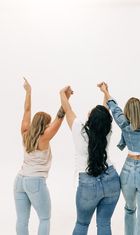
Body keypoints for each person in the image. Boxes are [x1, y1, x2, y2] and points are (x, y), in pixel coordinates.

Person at [98, 82, 140, 235]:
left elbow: (114, 109)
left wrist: (105, 92)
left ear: (127, 112)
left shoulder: (124, 124)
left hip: (127, 170)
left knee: (129, 209)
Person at [59, 85, 121, 235]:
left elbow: (68, 111)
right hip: (112, 180)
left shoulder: (79, 129)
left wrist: (62, 94)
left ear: (90, 118)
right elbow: (104, 113)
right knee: (104, 224)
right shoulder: (107, 131)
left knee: (82, 224)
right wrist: (106, 92)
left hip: (88, 184)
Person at [14, 78, 71, 235]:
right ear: (45, 125)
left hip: (19, 181)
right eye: (48, 123)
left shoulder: (25, 133)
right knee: (44, 219)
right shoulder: (44, 137)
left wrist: (28, 91)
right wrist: (66, 98)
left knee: (22, 220)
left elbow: (27, 110)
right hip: (35, 182)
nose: (49, 125)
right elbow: (60, 117)